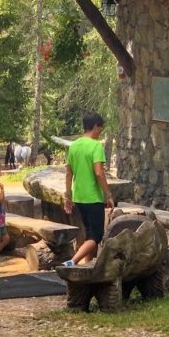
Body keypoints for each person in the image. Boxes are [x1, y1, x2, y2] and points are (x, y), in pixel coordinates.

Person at [62, 112, 114, 266]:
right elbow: (99, 172)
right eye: (100, 129)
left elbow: (68, 174)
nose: (100, 132)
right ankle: (73, 261)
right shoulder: (96, 146)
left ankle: (88, 267)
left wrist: (68, 197)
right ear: (95, 127)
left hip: (79, 197)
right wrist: (108, 194)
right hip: (93, 197)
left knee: (89, 235)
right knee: (96, 236)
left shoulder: (74, 146)